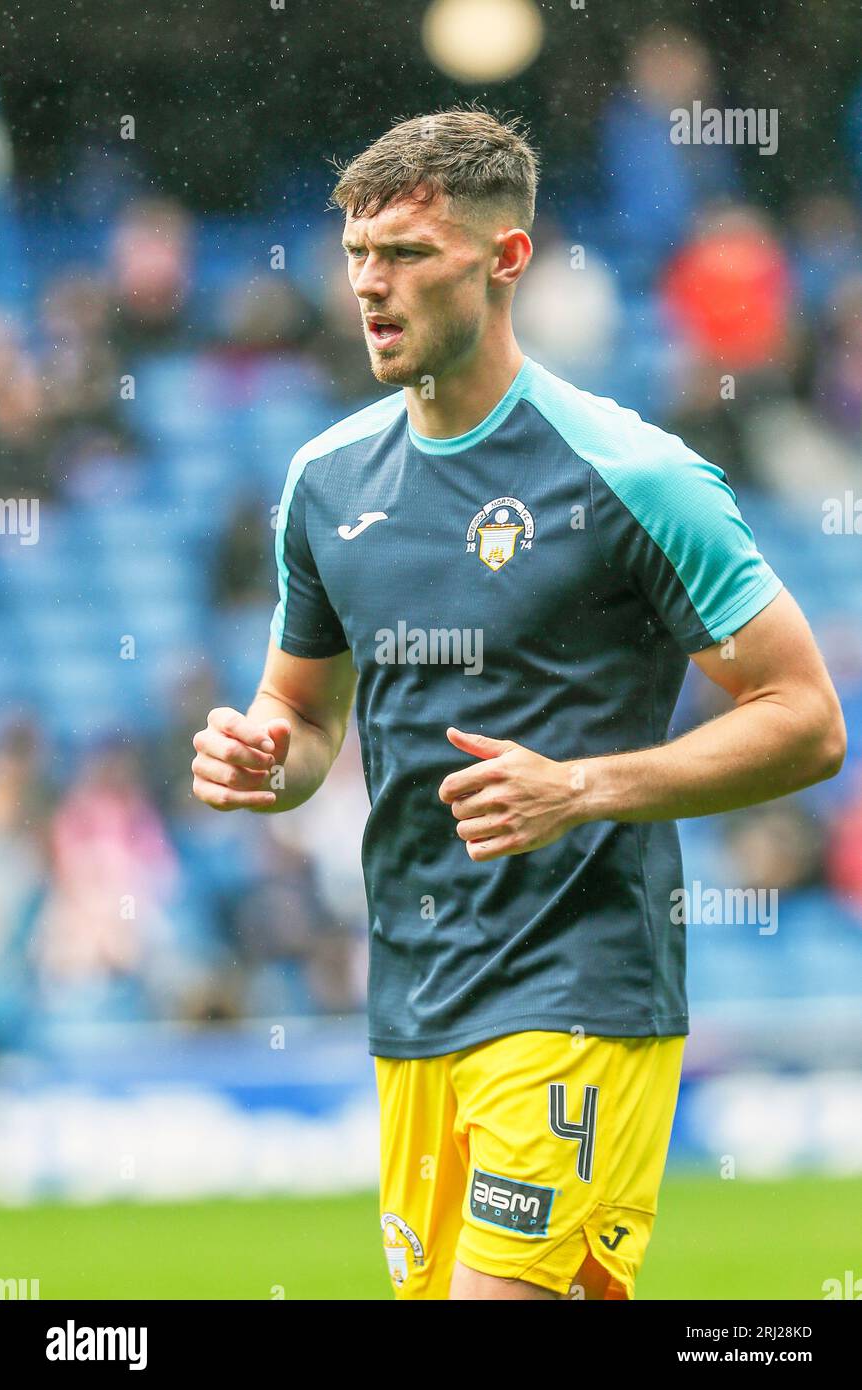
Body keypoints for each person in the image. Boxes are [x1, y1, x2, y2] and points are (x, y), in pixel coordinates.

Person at [190, 108, 846, 1301]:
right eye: (356, 258)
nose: (369, 289)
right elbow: (304, 717)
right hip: (416, 995)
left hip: (579, 981)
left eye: (406, 256)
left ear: (504, 261)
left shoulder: (631, 474)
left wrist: (583, 787)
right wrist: (260, 760)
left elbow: (805, 718)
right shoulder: (324, 482)